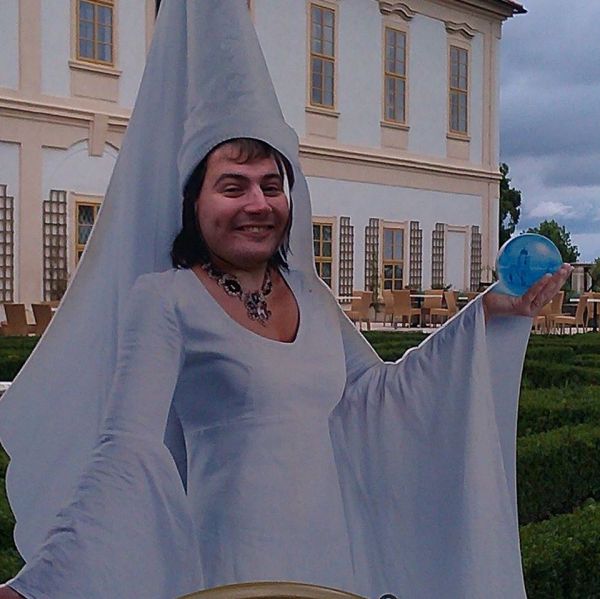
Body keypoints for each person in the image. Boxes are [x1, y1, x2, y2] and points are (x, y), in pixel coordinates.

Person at [0, 2, 572, 598]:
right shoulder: (166, 300)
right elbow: (129, 450)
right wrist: (41, 585)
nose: (258, 203)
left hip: (332, 566)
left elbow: (379, 393)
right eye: (233, 187)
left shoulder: (310, 295)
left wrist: (485, 313)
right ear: (194, 203)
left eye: (272, 186)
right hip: (232, 569)